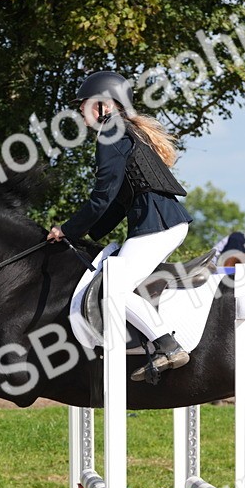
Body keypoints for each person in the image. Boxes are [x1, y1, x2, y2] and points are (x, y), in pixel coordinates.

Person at [46, 70, 193, 382]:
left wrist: (68, 230)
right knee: (114, 280)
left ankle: (168, 345)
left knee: (114, 288)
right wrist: (84, 234)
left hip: (158, 225)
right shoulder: (125, 130)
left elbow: (102, 196)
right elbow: (117, 203)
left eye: (84, 104)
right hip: (161, 222)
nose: (80, 111)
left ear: (104, 106)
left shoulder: (111, 132)